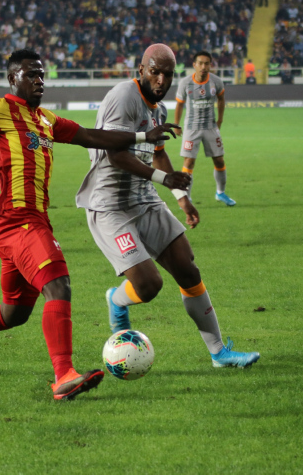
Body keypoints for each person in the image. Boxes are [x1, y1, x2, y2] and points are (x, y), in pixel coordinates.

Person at [0, 49, 176, 400]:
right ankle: (64, 375)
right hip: (15, 220)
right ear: (12, 79)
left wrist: (144, 137)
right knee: (58, 283)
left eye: (41, 75)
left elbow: (93, 136)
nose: (39, 81)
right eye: (30, 75)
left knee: (15, 313)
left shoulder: (46, 120)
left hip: (32, 221)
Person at [75, 44, 260, 370]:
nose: (161, 80)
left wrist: (182, 198)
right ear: (141, 69)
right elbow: (116, 153)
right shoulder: (123, 96)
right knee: (149, 285)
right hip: (111, 205)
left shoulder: (157, 108)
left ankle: (219, 353)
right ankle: (116, 300)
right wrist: (164, 179)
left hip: (144, 199)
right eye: (155, 72)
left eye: (168, 74)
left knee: (188, 268)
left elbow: (158, 152)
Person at [171, 51, 236, 207]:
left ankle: (220, 193)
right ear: (194, 65)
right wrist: (176, 124)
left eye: (206, 63)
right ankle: (187, 197)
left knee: (219, 160)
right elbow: (179, 104)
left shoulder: (216, 81)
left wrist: (220, 119)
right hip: (191, 128)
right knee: (189, 162)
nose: (203, 67)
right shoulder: (185, 83)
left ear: (210, 65)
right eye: (200, 63)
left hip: (210, 127)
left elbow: (221, 99)